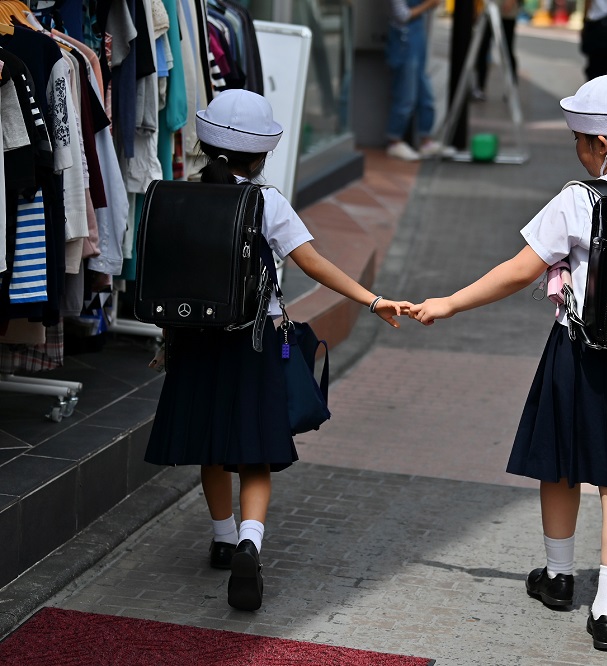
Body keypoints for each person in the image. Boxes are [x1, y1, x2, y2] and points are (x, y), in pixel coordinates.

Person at [409, 75, 607, 652]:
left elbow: (521, 269)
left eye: (578, 135)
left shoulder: (581, 199)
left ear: (600, 144)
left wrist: (449, 302)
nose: (574, 144)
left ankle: (558, 577)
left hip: (583, 355)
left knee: (563, 464)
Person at [144, 89, 411, 612]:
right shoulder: (267, 202)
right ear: (262, 154)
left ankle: (222, 540)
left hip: (196, 339)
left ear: (204, 144)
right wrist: (372, 299)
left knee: (212, 447)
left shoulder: (181, 195)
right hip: (254, 339)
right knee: (254, 450)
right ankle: (250, 541)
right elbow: (311, 263)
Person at [385, 0, 443, 161]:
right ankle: (394, 140)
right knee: (405, 94)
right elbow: (401, 15)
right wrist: (429, 4)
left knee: (425, 92)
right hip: (403, 40)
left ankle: (426, 140)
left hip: (415, 38)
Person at [471, 0, 521, 101]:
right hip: (488, 12)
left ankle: (511, 88)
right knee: (482, 50)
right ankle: (479, 87)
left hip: (506, 14)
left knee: (506, 53)